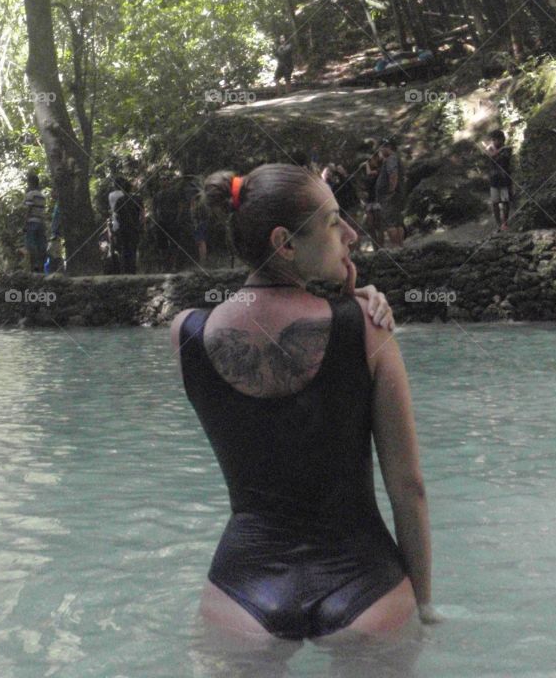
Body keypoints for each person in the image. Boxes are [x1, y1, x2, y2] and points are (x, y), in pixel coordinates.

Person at [170, 164, 436, 668]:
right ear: (285, 243)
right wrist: (422, 607)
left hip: (242, 594)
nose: (352, 235)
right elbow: (410, 488)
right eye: (334, 222)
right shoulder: (367, 327)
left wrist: (340, 295)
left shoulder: (186, 334)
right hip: (368, 590)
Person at [108, 175, 143, 274]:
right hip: (134, 226)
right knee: (133, 248)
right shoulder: (137, 198)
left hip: (120, 226)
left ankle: (124, 269)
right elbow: (141, 213)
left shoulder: (113, 196)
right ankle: (133, 268)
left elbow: (116, 212)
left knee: (123, 248)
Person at [376, 140, 405, 248]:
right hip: (396, 194)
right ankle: (400, 246)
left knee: (390, 222)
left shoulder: (391, 159)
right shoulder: (395, 158)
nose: (380, 151)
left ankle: (396, 247)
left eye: (381, 149)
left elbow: (393, 175)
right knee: (398, 222)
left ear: (387, 147)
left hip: (390, 196)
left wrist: (391, 190)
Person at [486, 129, 514, 230]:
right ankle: (498, 223)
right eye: (493, 140)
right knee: (495, 203)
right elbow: (491, 156)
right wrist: (495, 151)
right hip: (494, 180)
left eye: (496, 140)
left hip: (505, 180)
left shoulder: (507, 149)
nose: (494, 142)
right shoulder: (491, 149)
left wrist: (498, 151)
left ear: (502, 140)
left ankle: (505, 223)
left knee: (505, 202)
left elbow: (504, 157)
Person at [23, 172, 48, 273]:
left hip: (32, 221)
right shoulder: (42, 196)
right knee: (40, 244)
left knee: (31, 244)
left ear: (30, 183)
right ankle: (41, 265)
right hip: (41, 222)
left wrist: (25, 222)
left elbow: (28, 209)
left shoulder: (30, 195)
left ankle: (35, 266)